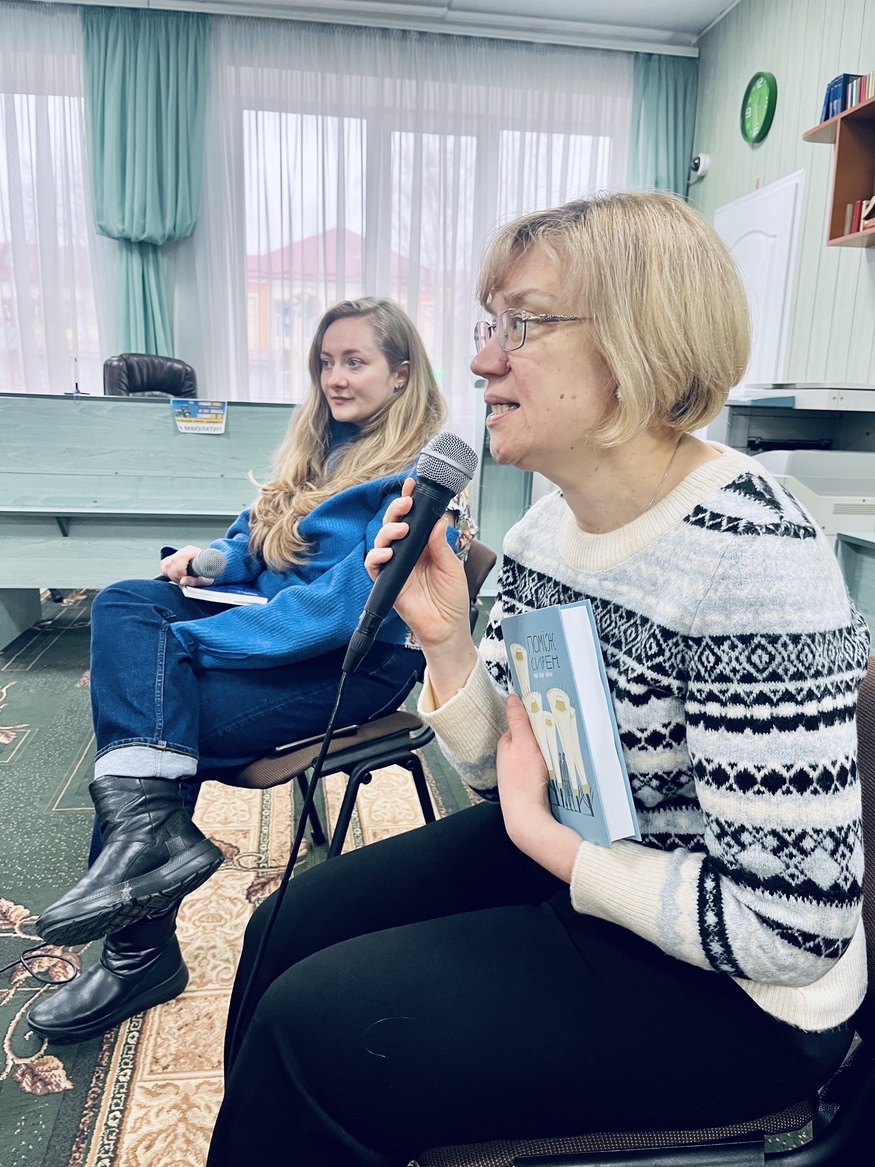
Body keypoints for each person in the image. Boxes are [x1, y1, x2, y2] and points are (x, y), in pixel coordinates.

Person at [206, 193, 868, 1167]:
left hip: (743, 996)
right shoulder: (542, 534)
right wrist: (444, 643)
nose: (481, 361)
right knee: (282, 930)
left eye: (521, 324)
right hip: (593, 859)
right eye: (489, 324)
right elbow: (506, 777)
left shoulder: (751, 559)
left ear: (638, 340)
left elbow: (789, 931)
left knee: (311, 1029)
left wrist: (550, 845)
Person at [28, 296, 460, 1045]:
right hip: (274, 625)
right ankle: (149, 837)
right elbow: (256, 537)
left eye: (354, 362)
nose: (333, 378)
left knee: (163, 704)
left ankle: (137, 953)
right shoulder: (319, 446)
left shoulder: (416, 478)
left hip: (355, 661)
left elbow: (340, 611)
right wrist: (210, 561)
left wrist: (195, 641)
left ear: (400, 373)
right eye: (325, 362)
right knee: (126, 603)